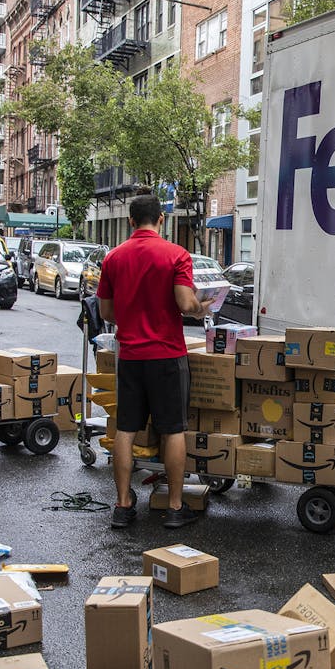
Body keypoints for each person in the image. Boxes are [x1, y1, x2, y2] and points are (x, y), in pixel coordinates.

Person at [97, 194, 211, 529]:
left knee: (126, 429)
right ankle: (175, 508)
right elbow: (185, 303)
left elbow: (106, 312)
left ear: (131, 221)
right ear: (161, 219)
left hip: (130, 356)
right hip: (166, 355)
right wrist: (202, 306)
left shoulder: (114, 258)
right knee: (173, 429)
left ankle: (122, 505)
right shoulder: (176, 255)